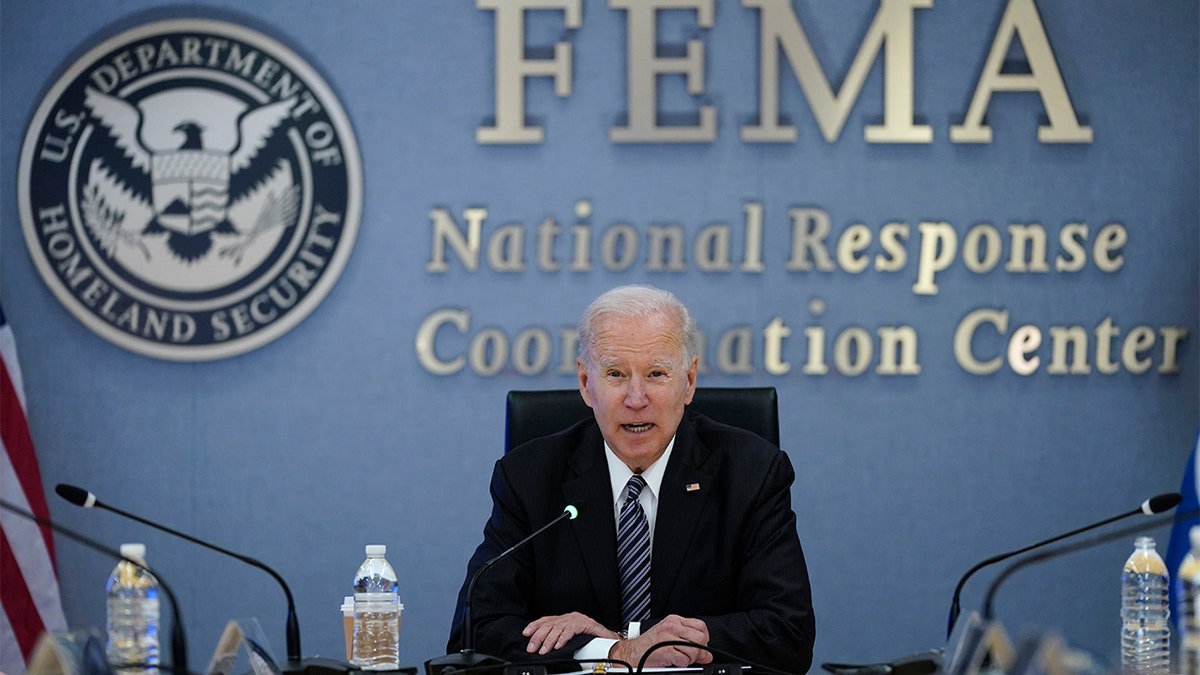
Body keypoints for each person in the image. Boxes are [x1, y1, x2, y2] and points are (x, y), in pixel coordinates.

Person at [447, 285, 815, 672]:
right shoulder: (529, 477)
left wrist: (640, 640)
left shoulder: (751, 472)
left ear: (688, 381)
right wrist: (615, 652)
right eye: (615, 374)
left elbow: (787, 634)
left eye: (656, 373)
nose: (636, 398)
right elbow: (474, 636)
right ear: (586, 383)